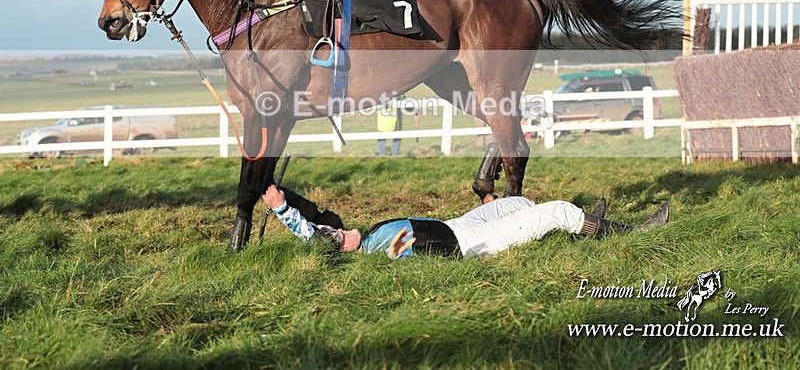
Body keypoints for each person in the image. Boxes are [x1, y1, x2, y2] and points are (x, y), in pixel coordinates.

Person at [262, 184, 670, 259]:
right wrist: (282, 211)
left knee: (518, 201)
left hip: (458, 223)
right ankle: (631, 235)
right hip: (470, 243)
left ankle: (586, 228)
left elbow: (315, 230)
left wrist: (288, 200)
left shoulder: (367, 240)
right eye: (333, 235)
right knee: (556, 209)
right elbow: (311, 236)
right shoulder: (373, 251)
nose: (337, 227)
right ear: (336, 246)